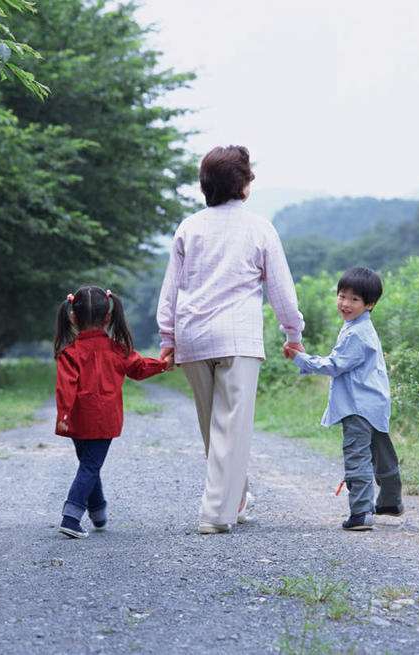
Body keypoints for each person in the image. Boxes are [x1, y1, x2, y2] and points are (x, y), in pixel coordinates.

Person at [156, 145, 305, 535]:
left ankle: (236, 498)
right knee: (231, 428)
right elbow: (281, 291)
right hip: (237, 338)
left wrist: (167, 337)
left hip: (192, 335)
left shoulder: (189, 227)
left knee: (214, 428)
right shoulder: (259, 228)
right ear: (243, 184)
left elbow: (171, 288)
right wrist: (293, 333)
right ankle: (214, 515)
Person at [284, 266, 403, 531]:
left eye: (354, 299)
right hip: (375, 403)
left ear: (369, 304)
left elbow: (335, 365)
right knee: (382, 453)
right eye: (341, 296)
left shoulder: (356, 333)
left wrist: (300, 359)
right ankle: (390, 502)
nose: (345, 304)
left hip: (358, 406)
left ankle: (360, 513)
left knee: (357, 456)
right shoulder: (359, 327)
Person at [54, 285, 167, 539]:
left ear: (73, 317)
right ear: (108, 317)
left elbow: (65, 386)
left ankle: (98, 511)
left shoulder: (69, 352)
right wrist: (162, 366)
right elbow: (138, 369)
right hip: (104, 420)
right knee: (90, 466)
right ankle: (71, 517)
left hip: (77, 419)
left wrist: (63, 416)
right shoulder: (118, 349)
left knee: (89, 465)